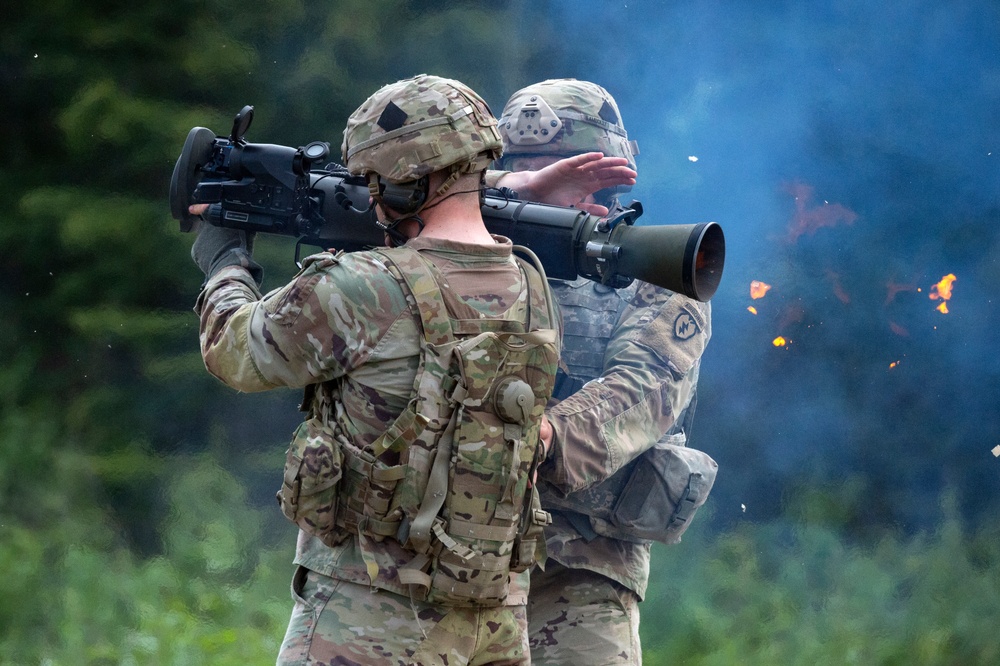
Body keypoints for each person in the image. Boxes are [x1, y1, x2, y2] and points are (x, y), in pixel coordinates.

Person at [187, 74, 635, 666]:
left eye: (376, 180)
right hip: (494, 619)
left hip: (371, 616)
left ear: (403, 186)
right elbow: (459, 198)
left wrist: (225, 260)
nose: (369, 195)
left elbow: (237, 350)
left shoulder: (360, 286)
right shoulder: (530, 284)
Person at [491, 79, 716, 665]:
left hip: (578, 569)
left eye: (563, 168)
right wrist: (503, 196)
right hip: (447, 557)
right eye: (524, 168)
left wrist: (534, 440)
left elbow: (641, 392)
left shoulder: (657, 272)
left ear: (609, 180)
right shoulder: (467, 254)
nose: (546, 183)